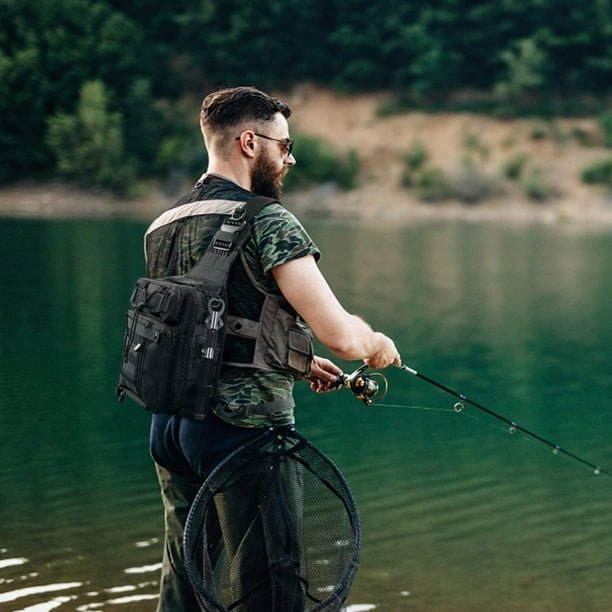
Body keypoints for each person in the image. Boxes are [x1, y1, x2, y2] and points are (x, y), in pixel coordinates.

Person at [145, 86, 401, 611]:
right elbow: (343, 336)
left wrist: (299, 363)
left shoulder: (163, 225)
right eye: (283, 145)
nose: (290, 157)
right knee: (272, 585)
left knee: (185, 580)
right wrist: (375, 343)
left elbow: (211, 323)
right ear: (248, 142)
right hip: (243, 434)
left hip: (171, 428)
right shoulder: (268, 219)